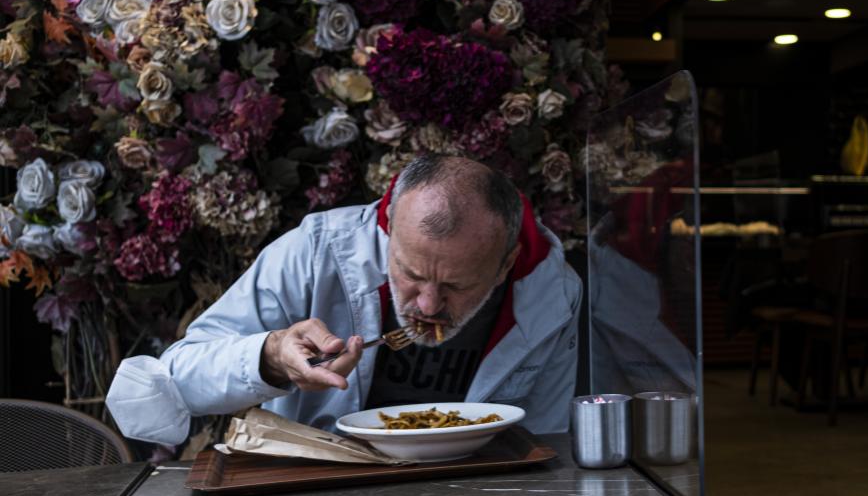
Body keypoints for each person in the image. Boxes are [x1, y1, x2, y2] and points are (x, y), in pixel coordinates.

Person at [107, 154, 583, 440]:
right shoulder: (317, 250)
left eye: (458, 285)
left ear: (505, 263)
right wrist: (270, 356)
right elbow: (163, 385)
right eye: (411, 274)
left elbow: (545, 436)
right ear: (389, 232)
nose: (428, 306)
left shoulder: (550, 291)